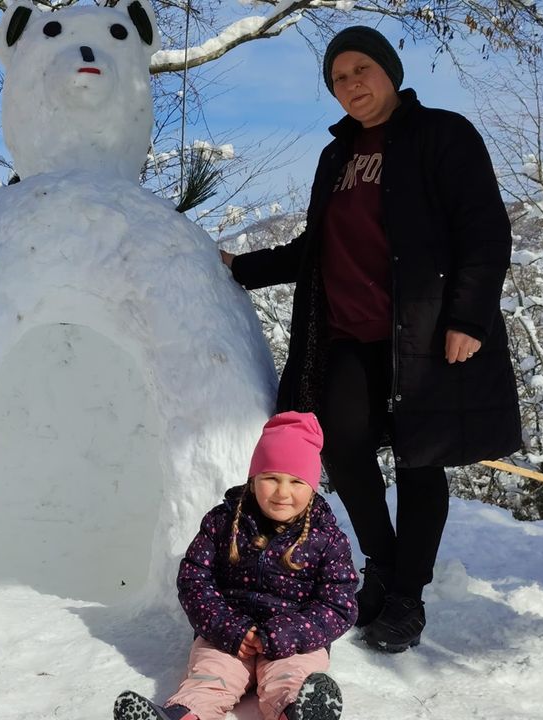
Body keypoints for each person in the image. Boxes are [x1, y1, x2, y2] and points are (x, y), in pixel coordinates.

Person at [223, 26, 521, 653]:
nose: (352, 84)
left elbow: (484, 230)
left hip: (426, 333)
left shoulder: (443, 135)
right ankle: (383, 564)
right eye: (339, 78)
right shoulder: (337, 157)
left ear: (389, 70)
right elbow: (317, 248)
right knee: (343, 449)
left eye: (362, 69)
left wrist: (468, 319)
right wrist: (239, 269)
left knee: (420, 459)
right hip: (349, 337)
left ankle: (406, 596)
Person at [114, 412, 356, 720]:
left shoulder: (327, 538)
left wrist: (289, 632)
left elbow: (338, 605)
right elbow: (194, 580)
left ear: (312, 487)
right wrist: (227, 627)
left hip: (294, 640)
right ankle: (182, 716)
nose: (283, 492)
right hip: (228, 634)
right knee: (210, 678)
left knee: (291, 679)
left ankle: (298, 713)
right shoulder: (223, 522)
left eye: (296, 481)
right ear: (253, 479)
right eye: (271, 478)